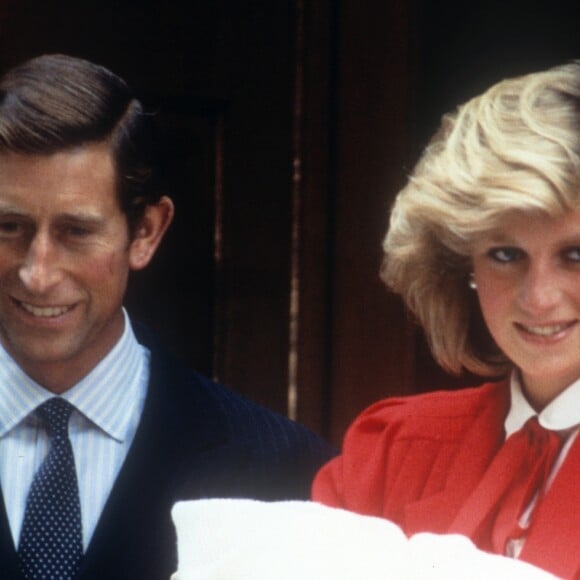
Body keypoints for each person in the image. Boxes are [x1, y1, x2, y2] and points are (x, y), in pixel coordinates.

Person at [0, 54, 335, 580]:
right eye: (8, 226)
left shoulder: (283, 469)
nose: (36, 273)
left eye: (76, 232)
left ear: (147, 231)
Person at [313, 61, 580, 579]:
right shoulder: (388, 450)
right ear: (462, 266)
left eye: (576, 255)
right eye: (505, 254)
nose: (539, 298)